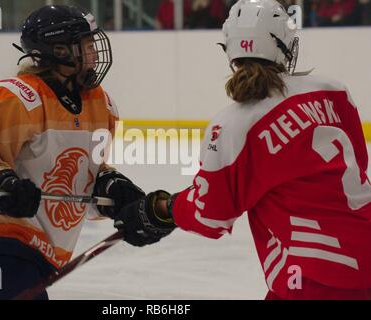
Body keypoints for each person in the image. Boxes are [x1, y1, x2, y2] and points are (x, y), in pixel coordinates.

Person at [116, 0, 371, 300]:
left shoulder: (232, 126)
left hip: (314, 279)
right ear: (284, 44)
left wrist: (165, 209)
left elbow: (211, 215)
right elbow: (358, 162)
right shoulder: (334, 90)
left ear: (230, 50)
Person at [0, 5, 145, 300]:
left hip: (42, 250)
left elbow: (87, 179)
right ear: (60, 50)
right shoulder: (16, 98)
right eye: (86, 46)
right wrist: (3, 186)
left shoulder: (101, 105)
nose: (94, 54)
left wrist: (112, 190)